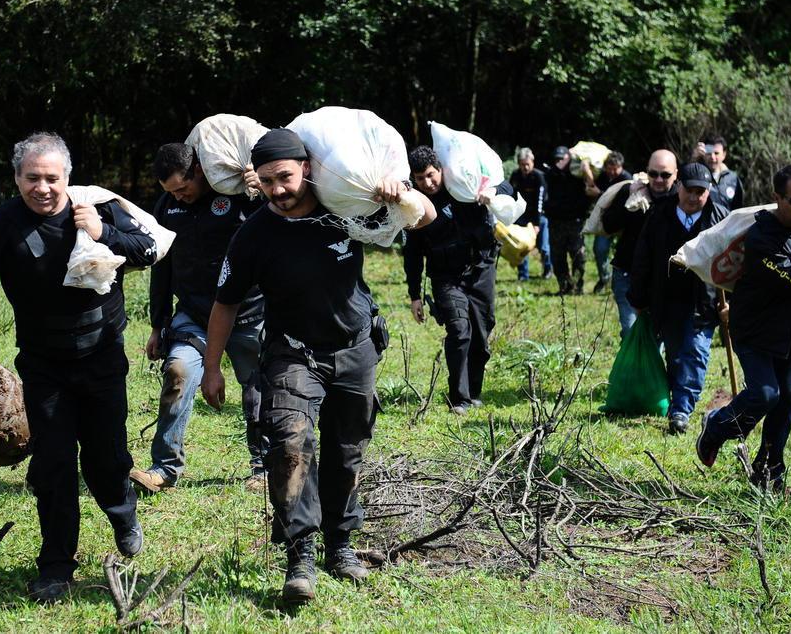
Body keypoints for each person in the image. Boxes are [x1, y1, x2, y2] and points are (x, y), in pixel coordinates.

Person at [0, 133, 158, 604]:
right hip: (44, 365)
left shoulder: (98, 208)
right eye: (32, 178)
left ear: (68, 177)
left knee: (106, 459)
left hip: (102, 356)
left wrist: (103, 233)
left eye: (52, 178)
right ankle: (56, 565)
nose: (42, 187)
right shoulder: (5, 225)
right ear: (17, 178)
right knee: (54, 464)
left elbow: (148, 250)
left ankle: (121, 510)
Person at [201, 128, 434, 604]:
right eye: (267, 181)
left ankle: (340, 545)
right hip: (292, 352)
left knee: (347, 451)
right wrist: (211, 368)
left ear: (306, 168)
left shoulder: (344, 208)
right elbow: (225, 303)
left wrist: (402, 193)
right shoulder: (253, 234)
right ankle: (300, 556)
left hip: (355, 348)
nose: (277, 190)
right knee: (290, 445)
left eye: (285, 177)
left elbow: (424, 218)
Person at [132, 142, 266, 494]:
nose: (179, 196)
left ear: (199, 171)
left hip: (248, 313)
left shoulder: (242, 196)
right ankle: (164, 468)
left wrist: (261, 192)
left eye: (183, 187)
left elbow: (276, 231)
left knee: (258, 388)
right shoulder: (167, 207)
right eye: (171, 192)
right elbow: (161, 267)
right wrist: (158, 324)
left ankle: (265, 466)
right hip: (193, 315)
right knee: (178, 372)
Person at [697, 164, 791, 490]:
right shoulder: (762, 237)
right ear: (777, 198)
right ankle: (717, 426)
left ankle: (769, 472)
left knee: (786, 403)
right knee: (765, 395)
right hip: (754, 331)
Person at [405, 145, 516, 414]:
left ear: (440, 170)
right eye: (420, 178)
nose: (427, 183)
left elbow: (508, 188)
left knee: (481, 331)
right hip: (445, 277)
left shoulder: (464, 185)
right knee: (458, 329)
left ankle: (474, 391)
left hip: (480, 269)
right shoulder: (416, 206)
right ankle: (459, 399)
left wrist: (491, 192)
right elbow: (412, 253)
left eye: (430, 175)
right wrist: (415, 295)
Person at [627, 163, 728, 434]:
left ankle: (682, 409)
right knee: (675, 356)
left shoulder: (720, 218)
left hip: (704, 301)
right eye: (689, 190)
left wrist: (732, 302)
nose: (694, 197)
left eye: (700, 192)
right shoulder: (660, 214)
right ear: (678, 186)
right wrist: (638, 296)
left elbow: (734, 263)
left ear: (708, 191)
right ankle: (676, 399)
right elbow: (643, 257)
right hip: (667, 299)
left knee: (695, 352)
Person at [601, 150, 679, 337]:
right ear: (647, 172)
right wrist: (629, 201)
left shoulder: (681, 199)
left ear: (675, 174)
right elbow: (609, 225)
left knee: (658, 335)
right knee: (631, 331)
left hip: (663, 278)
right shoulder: (632, 191)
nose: (658, 179)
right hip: (627, 273)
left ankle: (651, 357)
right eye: (653, 174)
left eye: (665, 175)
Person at [543, 146, 591, 295]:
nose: (559, 161)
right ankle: (564, 286)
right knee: (558, 257)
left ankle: (577, 286)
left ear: (569, 158)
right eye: (556, 159)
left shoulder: (577, 174)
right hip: (556, 222)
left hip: (575, 221)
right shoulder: (551, 174)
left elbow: (589, 189)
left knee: (578, 255)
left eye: (562, 158)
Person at [588, 152, 631, 294]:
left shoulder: (627, 180)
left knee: (624, 254)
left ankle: (623, 282)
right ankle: (604, 278)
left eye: (615, 169)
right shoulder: (603, 177)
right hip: (606, 222)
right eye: (609, 168)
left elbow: (620, 202)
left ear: (621, 167)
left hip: (624, 225)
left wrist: (599, 193)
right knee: (599, 250)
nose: (612, 172)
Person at [509, 147, 550, 280]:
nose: (525, 167)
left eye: (527, 164)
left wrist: (537, 223)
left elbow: (540, 201)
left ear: (532, 162)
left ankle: (548, 269)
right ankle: (523, 275)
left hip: (539, 216)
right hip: (521, 216)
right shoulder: (515, 175)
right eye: (522, 164)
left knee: (544, 247)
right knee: (522, 246)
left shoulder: (539, 177)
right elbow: (511, 196)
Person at [694, 136, 742, 211]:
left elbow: (738, 209)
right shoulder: (696, 176)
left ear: (724, 155)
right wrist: (693, 159)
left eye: (716, 153)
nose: (712, 157)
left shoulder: (733, 178)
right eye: (709, 153)